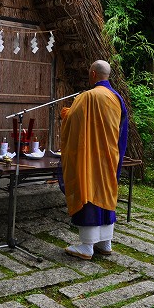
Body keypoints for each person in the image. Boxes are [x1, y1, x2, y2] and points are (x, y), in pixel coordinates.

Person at [60, 60, 128, 260]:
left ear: (92, 74)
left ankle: (87, 246)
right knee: (106, 192)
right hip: (110, 155)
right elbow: (122, 130)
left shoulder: (87, 97)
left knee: (88, 191)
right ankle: (105, 242)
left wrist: (66, 114)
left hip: (90, 155)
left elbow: (73, 120)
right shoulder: (117, 98)